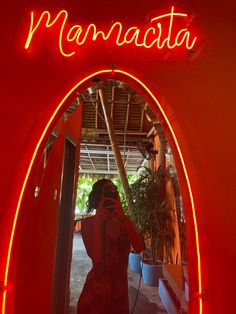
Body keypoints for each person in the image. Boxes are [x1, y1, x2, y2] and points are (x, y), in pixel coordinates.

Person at [77, 178, 144, 314]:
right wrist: (98, 221)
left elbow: (139, 247)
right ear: (98, 197)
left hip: (120, 298)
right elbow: (97, 257)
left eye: (114, 192)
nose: (111, 196)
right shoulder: (88, 223)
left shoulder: (125, 223)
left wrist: (123, 217)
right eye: (107, 192)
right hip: (95, 297)